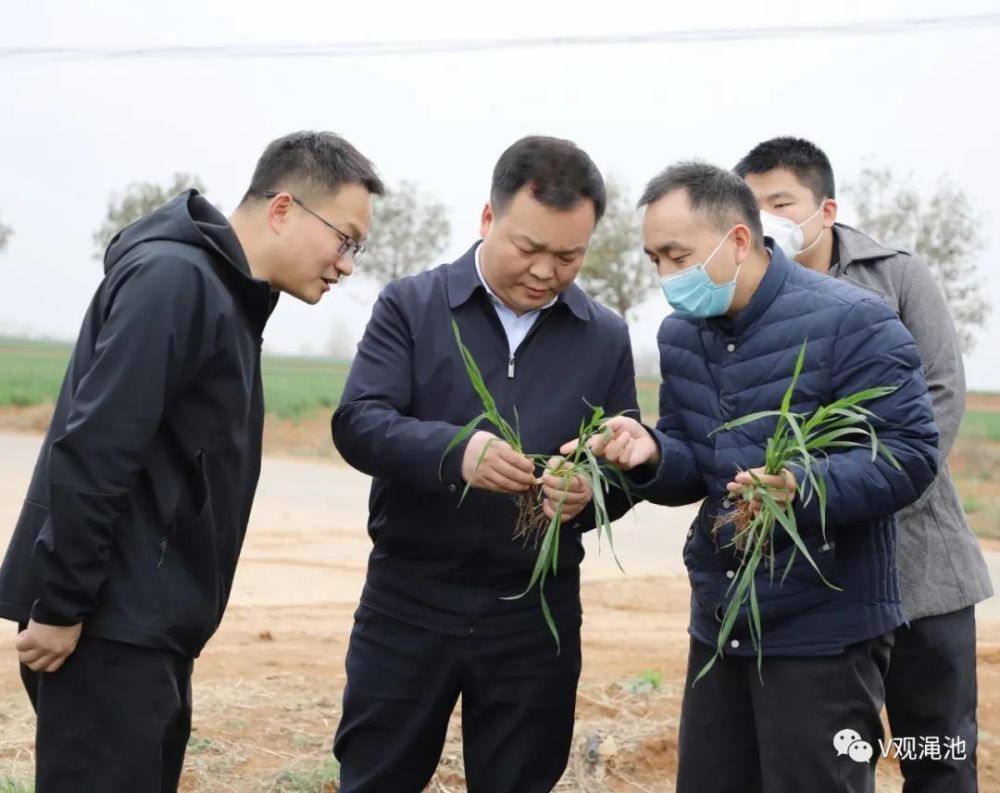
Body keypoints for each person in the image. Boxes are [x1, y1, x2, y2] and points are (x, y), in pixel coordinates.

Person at [0, 130, 384, 792]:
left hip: (144, 629)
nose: (347, 264)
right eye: (345, 240)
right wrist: (62, 604)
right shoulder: (176, 280)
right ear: (284, 208)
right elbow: (97, 449)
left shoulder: (226, 294)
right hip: (110, 628)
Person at [576, 161, 939, 793]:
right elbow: (697, 461)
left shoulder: (854, 321)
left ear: (738, 240)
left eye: (677, 255)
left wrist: (807, 485)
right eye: (654, 258)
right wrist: (653, 455)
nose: (666, 275)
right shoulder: (682, 334)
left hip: (825, 624)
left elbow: (909, 452)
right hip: (722, 617)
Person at [330, 135, 639, 792]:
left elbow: (625, 460)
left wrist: (592, 489)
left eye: (568, 255)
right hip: (409, 601)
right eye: (529, 248)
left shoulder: (605, 336)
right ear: (487, 218)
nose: (546, 271)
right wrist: (454, 452)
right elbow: (358, 423)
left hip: (534, 616)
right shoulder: (413, 307)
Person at [736, 136, 991, 792]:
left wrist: (857, 486)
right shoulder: (745, 295)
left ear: (826, 207)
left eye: (781, 201)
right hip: (816, 573)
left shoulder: (897, 276)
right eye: (752, 204)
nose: (767, 218)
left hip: (919, 566)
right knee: (834, 757)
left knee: (936, 751)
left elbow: (938, 399)